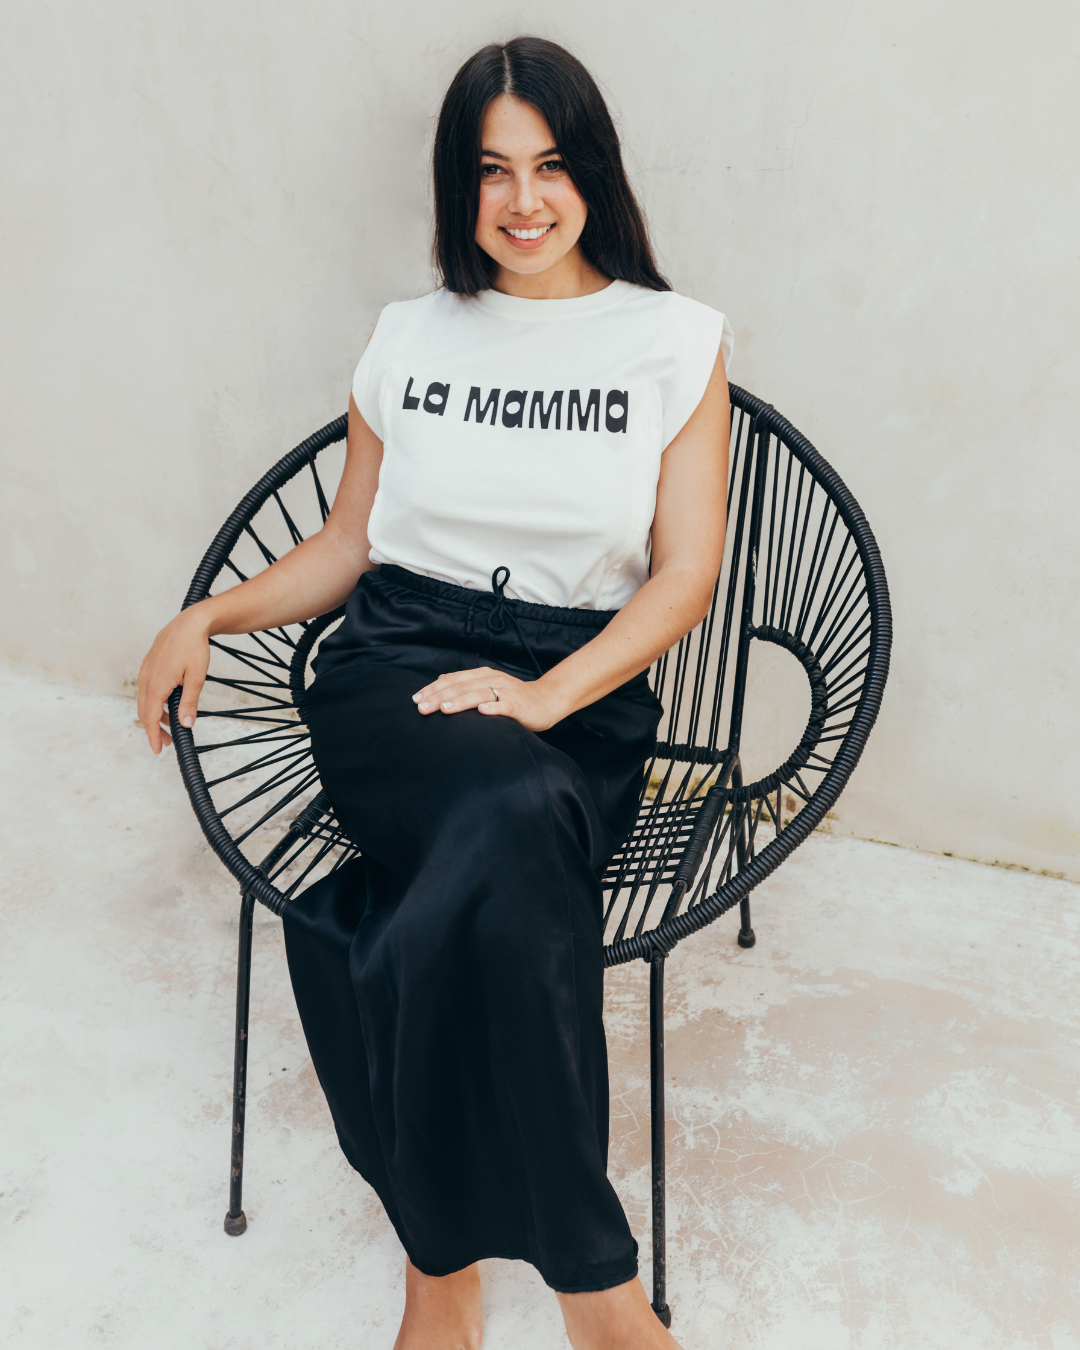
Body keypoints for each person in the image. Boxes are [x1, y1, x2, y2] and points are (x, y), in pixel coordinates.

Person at [138, 35, 732, 1350]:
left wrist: (545, 692)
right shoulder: (409, 338)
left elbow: (684, 576)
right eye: (490, 171)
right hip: (393, 665)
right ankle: (598, 1295)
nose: (524, 200)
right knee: (507, 821)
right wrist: (212, 612)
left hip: (580, 682)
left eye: (551, 165)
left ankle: (437, 1280)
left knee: (470, 842)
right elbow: (351, 546)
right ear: (456, 188)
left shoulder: (675, 343)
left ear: (596, 175)